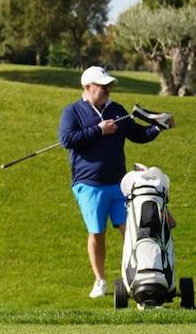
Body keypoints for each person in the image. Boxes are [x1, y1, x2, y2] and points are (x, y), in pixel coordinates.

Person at [58, 65, 173, 298]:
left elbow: (139, 135)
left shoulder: (116, 110)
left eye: (108, 86)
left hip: (120, 185)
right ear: (87, 87)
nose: (107, 90)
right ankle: (100, 281)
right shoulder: (73, 112)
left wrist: (159, 127)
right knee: (97, 233)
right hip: (88, 184)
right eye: (102, 86)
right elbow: (67, 139)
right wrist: (99, 130)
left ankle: (138, 274)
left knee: (131, 229)